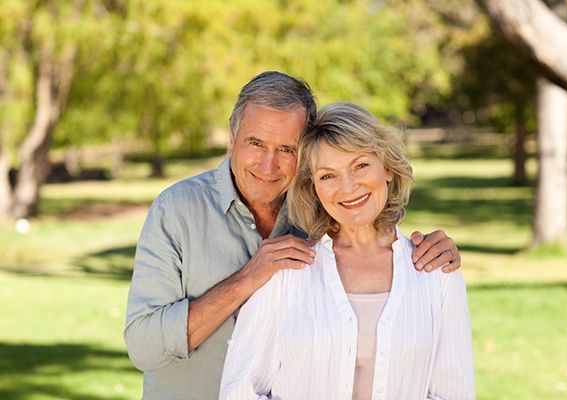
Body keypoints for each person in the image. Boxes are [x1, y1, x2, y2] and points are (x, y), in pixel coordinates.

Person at [124, 72, 462, 399]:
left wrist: (435, 256)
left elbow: (363, 209)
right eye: (255, 143)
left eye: (286, 149)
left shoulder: (318, 214)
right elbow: (144, 348)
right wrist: (248, 278)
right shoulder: (178, 210)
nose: (268, 165)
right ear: (232, 138)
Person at [219, 102, 474, 399]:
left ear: (388, 169)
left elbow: (453, 393)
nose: (348, 187)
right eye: (328, 175)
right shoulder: (284, 273)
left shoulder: (437, 276)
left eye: (361, 165)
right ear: (313, 187)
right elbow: (240, 390)